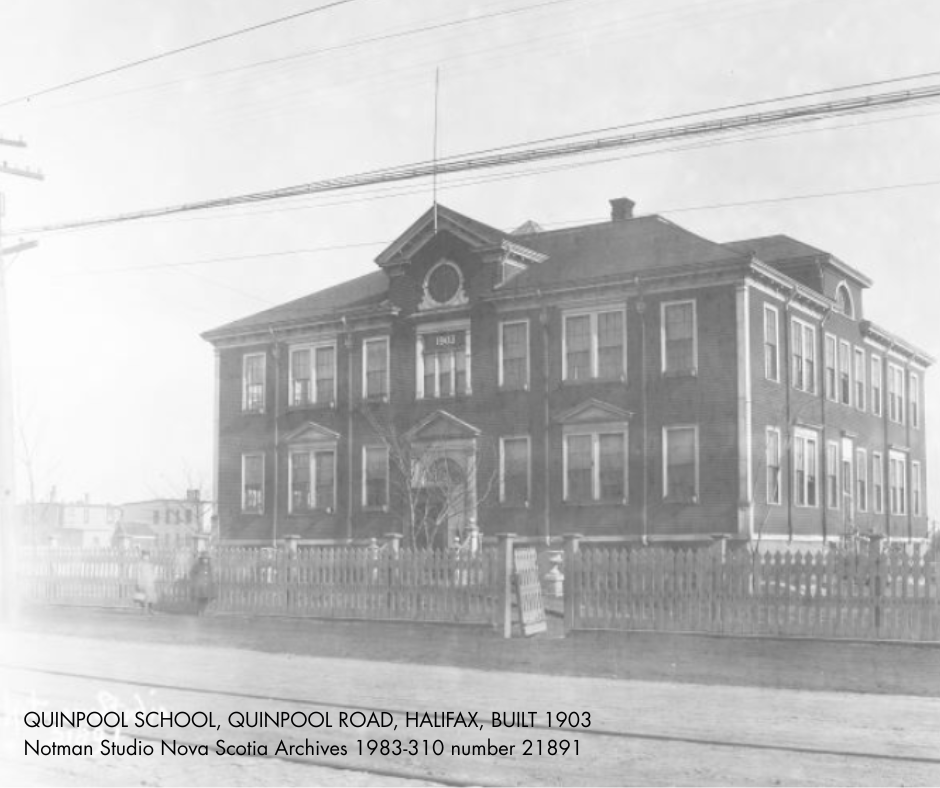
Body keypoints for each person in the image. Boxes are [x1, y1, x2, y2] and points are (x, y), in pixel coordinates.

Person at [135, 550, 158, 615]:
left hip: (150, 582)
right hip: (143, 581)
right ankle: (143, 609)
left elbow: (153, 572)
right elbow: (138, 573)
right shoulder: (140, 564)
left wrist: (153, 578)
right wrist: (138, 581)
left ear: (149, 557)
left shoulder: (151, 564)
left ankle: (151, 609)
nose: (146, 557)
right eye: (144, 556)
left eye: (147, 556)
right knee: (142, 596)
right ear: (142, 556)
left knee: (151, 596)